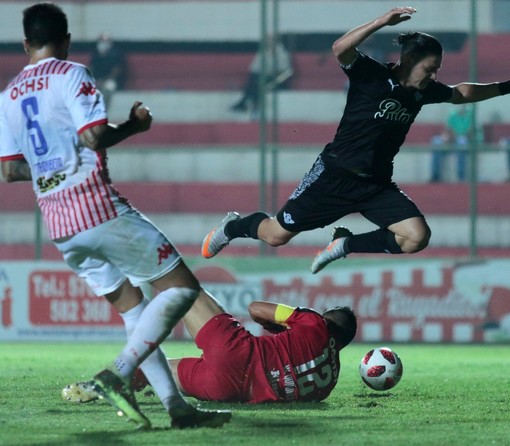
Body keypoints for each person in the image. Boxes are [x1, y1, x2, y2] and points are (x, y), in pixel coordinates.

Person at [0, 3, 230, 430]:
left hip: (59, 225)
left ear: (26, 43)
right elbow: (93, 135)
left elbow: (11, 170)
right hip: (96, 207)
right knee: (183, 290)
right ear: (66, 41)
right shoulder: (72, 74)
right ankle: (117, 375)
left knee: (132, 312)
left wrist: (51, 166)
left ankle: (177, 409)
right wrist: (134, 126)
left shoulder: (7, 96)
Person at [202, 6, 510, 274]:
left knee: (416, 237)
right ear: (409, 61)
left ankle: (344, 246)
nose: (434, 76)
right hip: (333, 176)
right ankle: (233, 227)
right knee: (276, 236)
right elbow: (340, 49)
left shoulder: (424, 92)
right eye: (430, 68)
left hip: (376, 185)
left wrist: (509, 85)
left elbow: (461, 93)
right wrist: (381, 21)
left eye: (437, 70)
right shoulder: (371, 75)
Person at [63, 296, 357, 404]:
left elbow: (256, 309)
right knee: (158, 373)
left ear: (327, 318)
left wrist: (279, 326)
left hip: (235, 351)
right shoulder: (328, 383)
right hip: (226, 390)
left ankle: (101, 382)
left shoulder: (314, 323)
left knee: (182, 290)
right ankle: (108, 386)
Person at [230, 34, 293, 115]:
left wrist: (269, 72)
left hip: (278, 79)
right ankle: (251, 105)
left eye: (271, 40)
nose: (269, 42)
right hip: (263, 77)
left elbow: (285, 71)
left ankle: (245, 103)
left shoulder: (281, 53)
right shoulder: (262, 52)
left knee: (255, 83)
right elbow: (253, 67)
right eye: (268, 40)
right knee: (254, 79)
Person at [429, 105, 473, 182]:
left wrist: (456, 136)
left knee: (462, 141)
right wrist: (447, 137)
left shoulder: (471, 115)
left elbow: (470, 133)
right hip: (452, 139)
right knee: (436, 141)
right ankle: (435, 176)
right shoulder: (453, 115)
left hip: (464, 141)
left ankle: (461, 177)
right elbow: (447, 129)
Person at [89, 32, 127, 111]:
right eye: (101, 41)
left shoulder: (115, 55)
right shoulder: (95, 54)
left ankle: (103, 109)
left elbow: (115, 71)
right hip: (97, 80)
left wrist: (103, 81)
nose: (103, 44)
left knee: (108, 88)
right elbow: (91, 68)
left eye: (105, 42)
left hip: (110, 80)